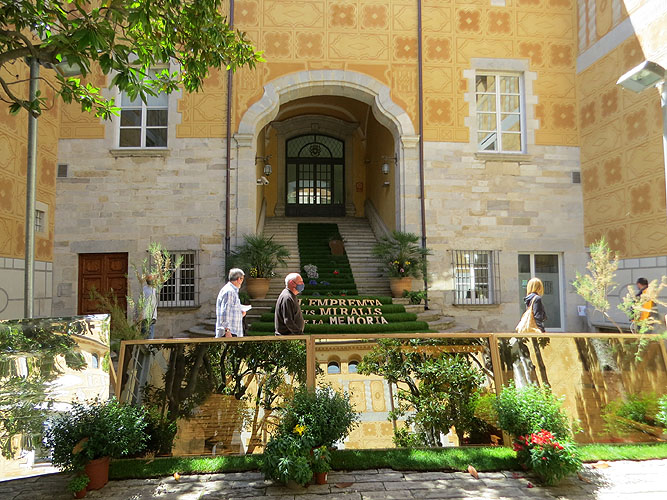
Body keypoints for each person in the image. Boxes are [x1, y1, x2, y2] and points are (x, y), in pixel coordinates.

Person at [216, 268, 246, 337]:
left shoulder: (232, 291)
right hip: (230, 333)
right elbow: (225, 311)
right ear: (239, 279)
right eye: (242, 279)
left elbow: (231, 312)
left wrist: (241, 314)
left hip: (233, 331)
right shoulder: (230, 291)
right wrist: (227, 330)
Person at [140, 274, 157, 339]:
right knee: (146, 337)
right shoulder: (145, 289)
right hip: (146, 316)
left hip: (151, 316)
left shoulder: (154, 289)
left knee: (148, 336)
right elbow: (141, 302)